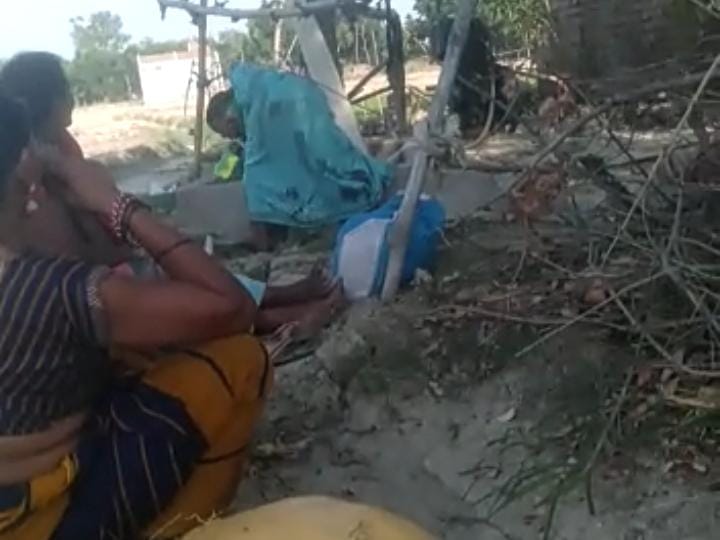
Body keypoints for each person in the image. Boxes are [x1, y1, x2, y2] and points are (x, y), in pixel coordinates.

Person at [0, 92, 272, 540]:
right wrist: (115, 203)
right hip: (32, 521)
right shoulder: (49, 289)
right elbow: (231, 306)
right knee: (240, 360)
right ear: (26, 172)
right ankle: (185, 529)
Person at [0, 51, 130, 266]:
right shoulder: (38, 188)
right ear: (57, 102)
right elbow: (107, 256)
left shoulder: (54, 151)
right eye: (67, 90)